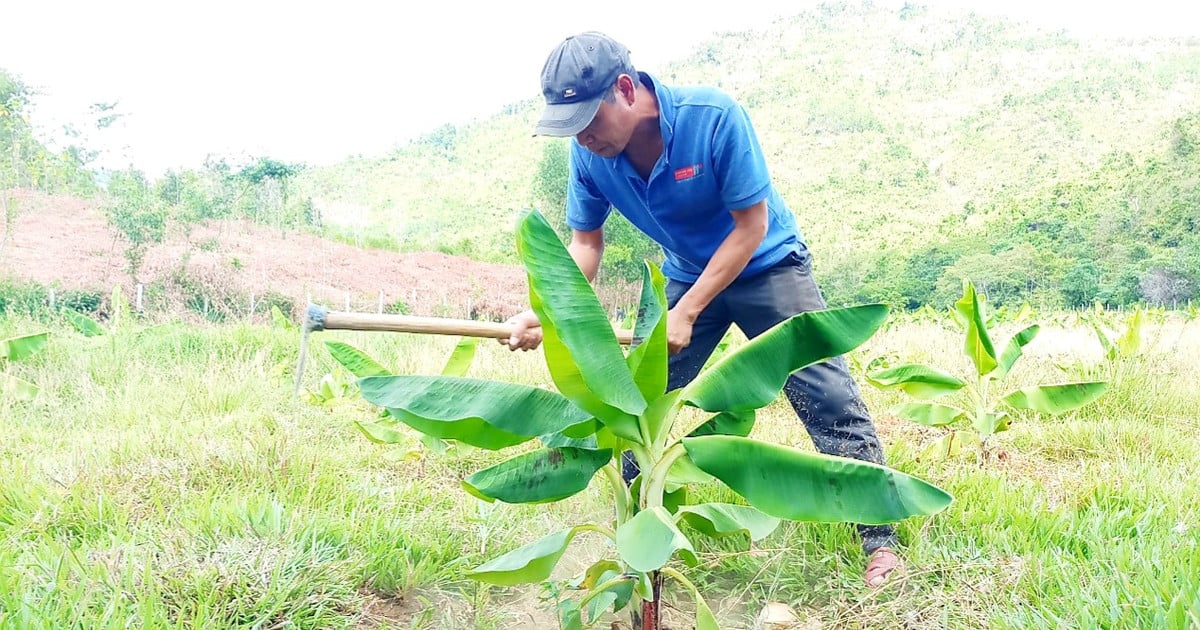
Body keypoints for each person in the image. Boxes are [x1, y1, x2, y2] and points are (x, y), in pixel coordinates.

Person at [502, 31, 902, 588]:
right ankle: (640, 542)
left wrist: (687, 311)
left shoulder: (712, 117)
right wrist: (542, 312)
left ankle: (881, 539)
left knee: (826, 395)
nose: (582, 137)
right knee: (641, 403)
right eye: (570, 127)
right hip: (689, 272)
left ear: (625, 89)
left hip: (767, 265)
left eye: (588, 121)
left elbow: (751, 227)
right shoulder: (589, 156)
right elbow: (586, 244)